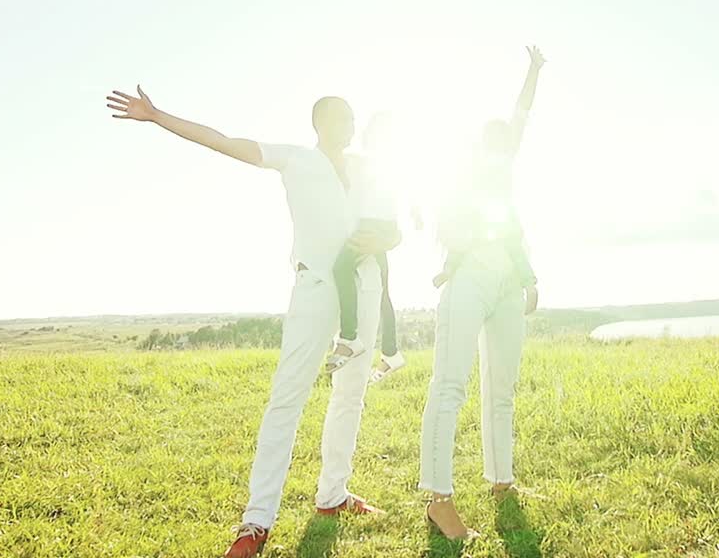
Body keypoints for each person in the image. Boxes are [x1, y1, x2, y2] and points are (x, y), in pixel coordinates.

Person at [105, 88, 399, 558]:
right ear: (320, 122)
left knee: (351, 396)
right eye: (342, 117)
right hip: (315, 289)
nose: (350, 124)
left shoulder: (368, 168)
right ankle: (256, 522)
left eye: (352, 117)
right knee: (287, 399)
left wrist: (388, 235)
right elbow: (223, 141)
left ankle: (333, 496)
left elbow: (388, 224)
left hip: (362, 291)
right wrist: (158, 116)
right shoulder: (296, 159)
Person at [419, 45, 546, 540]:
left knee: (502, 389)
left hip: (507, 281)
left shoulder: (503, 171)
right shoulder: (457, 173)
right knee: (449, 386)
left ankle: (502, 481)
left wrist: (533, 71)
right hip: (469, 277)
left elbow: (522, 115)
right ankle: (439, 500)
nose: (501, 148)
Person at [325, 115, 406, 379]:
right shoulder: (389, 164)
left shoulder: (364, 162)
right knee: (384, 293)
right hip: (383, 225)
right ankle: (391, 353)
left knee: (341, 267)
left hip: (372, 226)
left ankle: (349, 337)